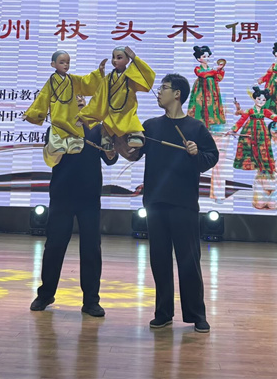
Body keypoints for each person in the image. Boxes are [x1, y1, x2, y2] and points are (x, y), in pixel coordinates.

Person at [127, 73, 219, 333]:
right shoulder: (151, 126)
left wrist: (196, 153)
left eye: (164, 88)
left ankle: (196, 314)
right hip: (155, 203)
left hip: (183, 204)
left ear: (177, 94)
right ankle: (163, 312)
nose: (159, 92)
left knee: (189, 260)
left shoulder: (196, 128)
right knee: (159, 260)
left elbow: (211, 157)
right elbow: (134, 153)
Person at [31, 96, 118, 316]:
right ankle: (45, 294)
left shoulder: (98, 128)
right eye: (74, 96)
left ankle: (91, 301)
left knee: (91, 248)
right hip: (62, 195)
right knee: (54, 246)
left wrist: (111, 153)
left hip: (89, 197)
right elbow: (51, 157)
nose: (79, 99)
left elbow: (110, 158)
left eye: (82, 96)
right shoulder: (56, 127)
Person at [25, 50, 105, 167]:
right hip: (59, 115)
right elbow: (43, 97)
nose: (65, 65)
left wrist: (99, 73)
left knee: (74, 134)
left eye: (68, 62)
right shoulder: (51, 82)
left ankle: (74, 144)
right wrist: (32, 114)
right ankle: (58, 146)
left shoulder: (96, 127)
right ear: (53, 64)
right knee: (57, 135)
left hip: (71, 116)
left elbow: (84, 82)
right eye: (62, 62)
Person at [79, 46, 156, 154]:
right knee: (107, 126)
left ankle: (135, 136)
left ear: (127, 60)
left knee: (132, 122)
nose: (115, 60)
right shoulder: (108, 78)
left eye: (119, 58)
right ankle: (107, 142)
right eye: (113, 57)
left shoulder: (131, 75)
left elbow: (147, 78)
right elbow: (99, 95)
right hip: (111, 111)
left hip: (127, 110)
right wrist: (84, 116)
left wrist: (135, 59)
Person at [187, 45, 226, 129]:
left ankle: (210, 125)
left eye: (207, 56)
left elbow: (219, 78)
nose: (206, 58)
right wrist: (214, 70)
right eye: (204, 56)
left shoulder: (212, 69)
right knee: (200, 106)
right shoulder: (198, 68)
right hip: (201, 90)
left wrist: (220, 70)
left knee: (211, 106)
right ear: (199, 59)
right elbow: (202, 74)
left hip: (211, 91)